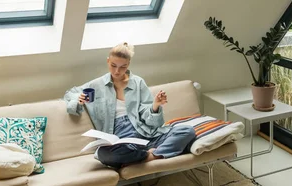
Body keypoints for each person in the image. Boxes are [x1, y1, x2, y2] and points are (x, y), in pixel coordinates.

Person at [63, 42, 196, 169]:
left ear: (128, 64)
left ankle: (150, 157)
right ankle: (151, 154)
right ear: (108, 61)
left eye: (123, 67)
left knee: (186, 131)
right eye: (113, 65)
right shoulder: (96, 85)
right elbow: (70, 93)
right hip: (121, 138)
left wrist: (155, 105)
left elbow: (149, 117)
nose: (117, 71)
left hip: (144, 131)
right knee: (105, 154)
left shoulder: (138, 83)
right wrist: (78, 99)